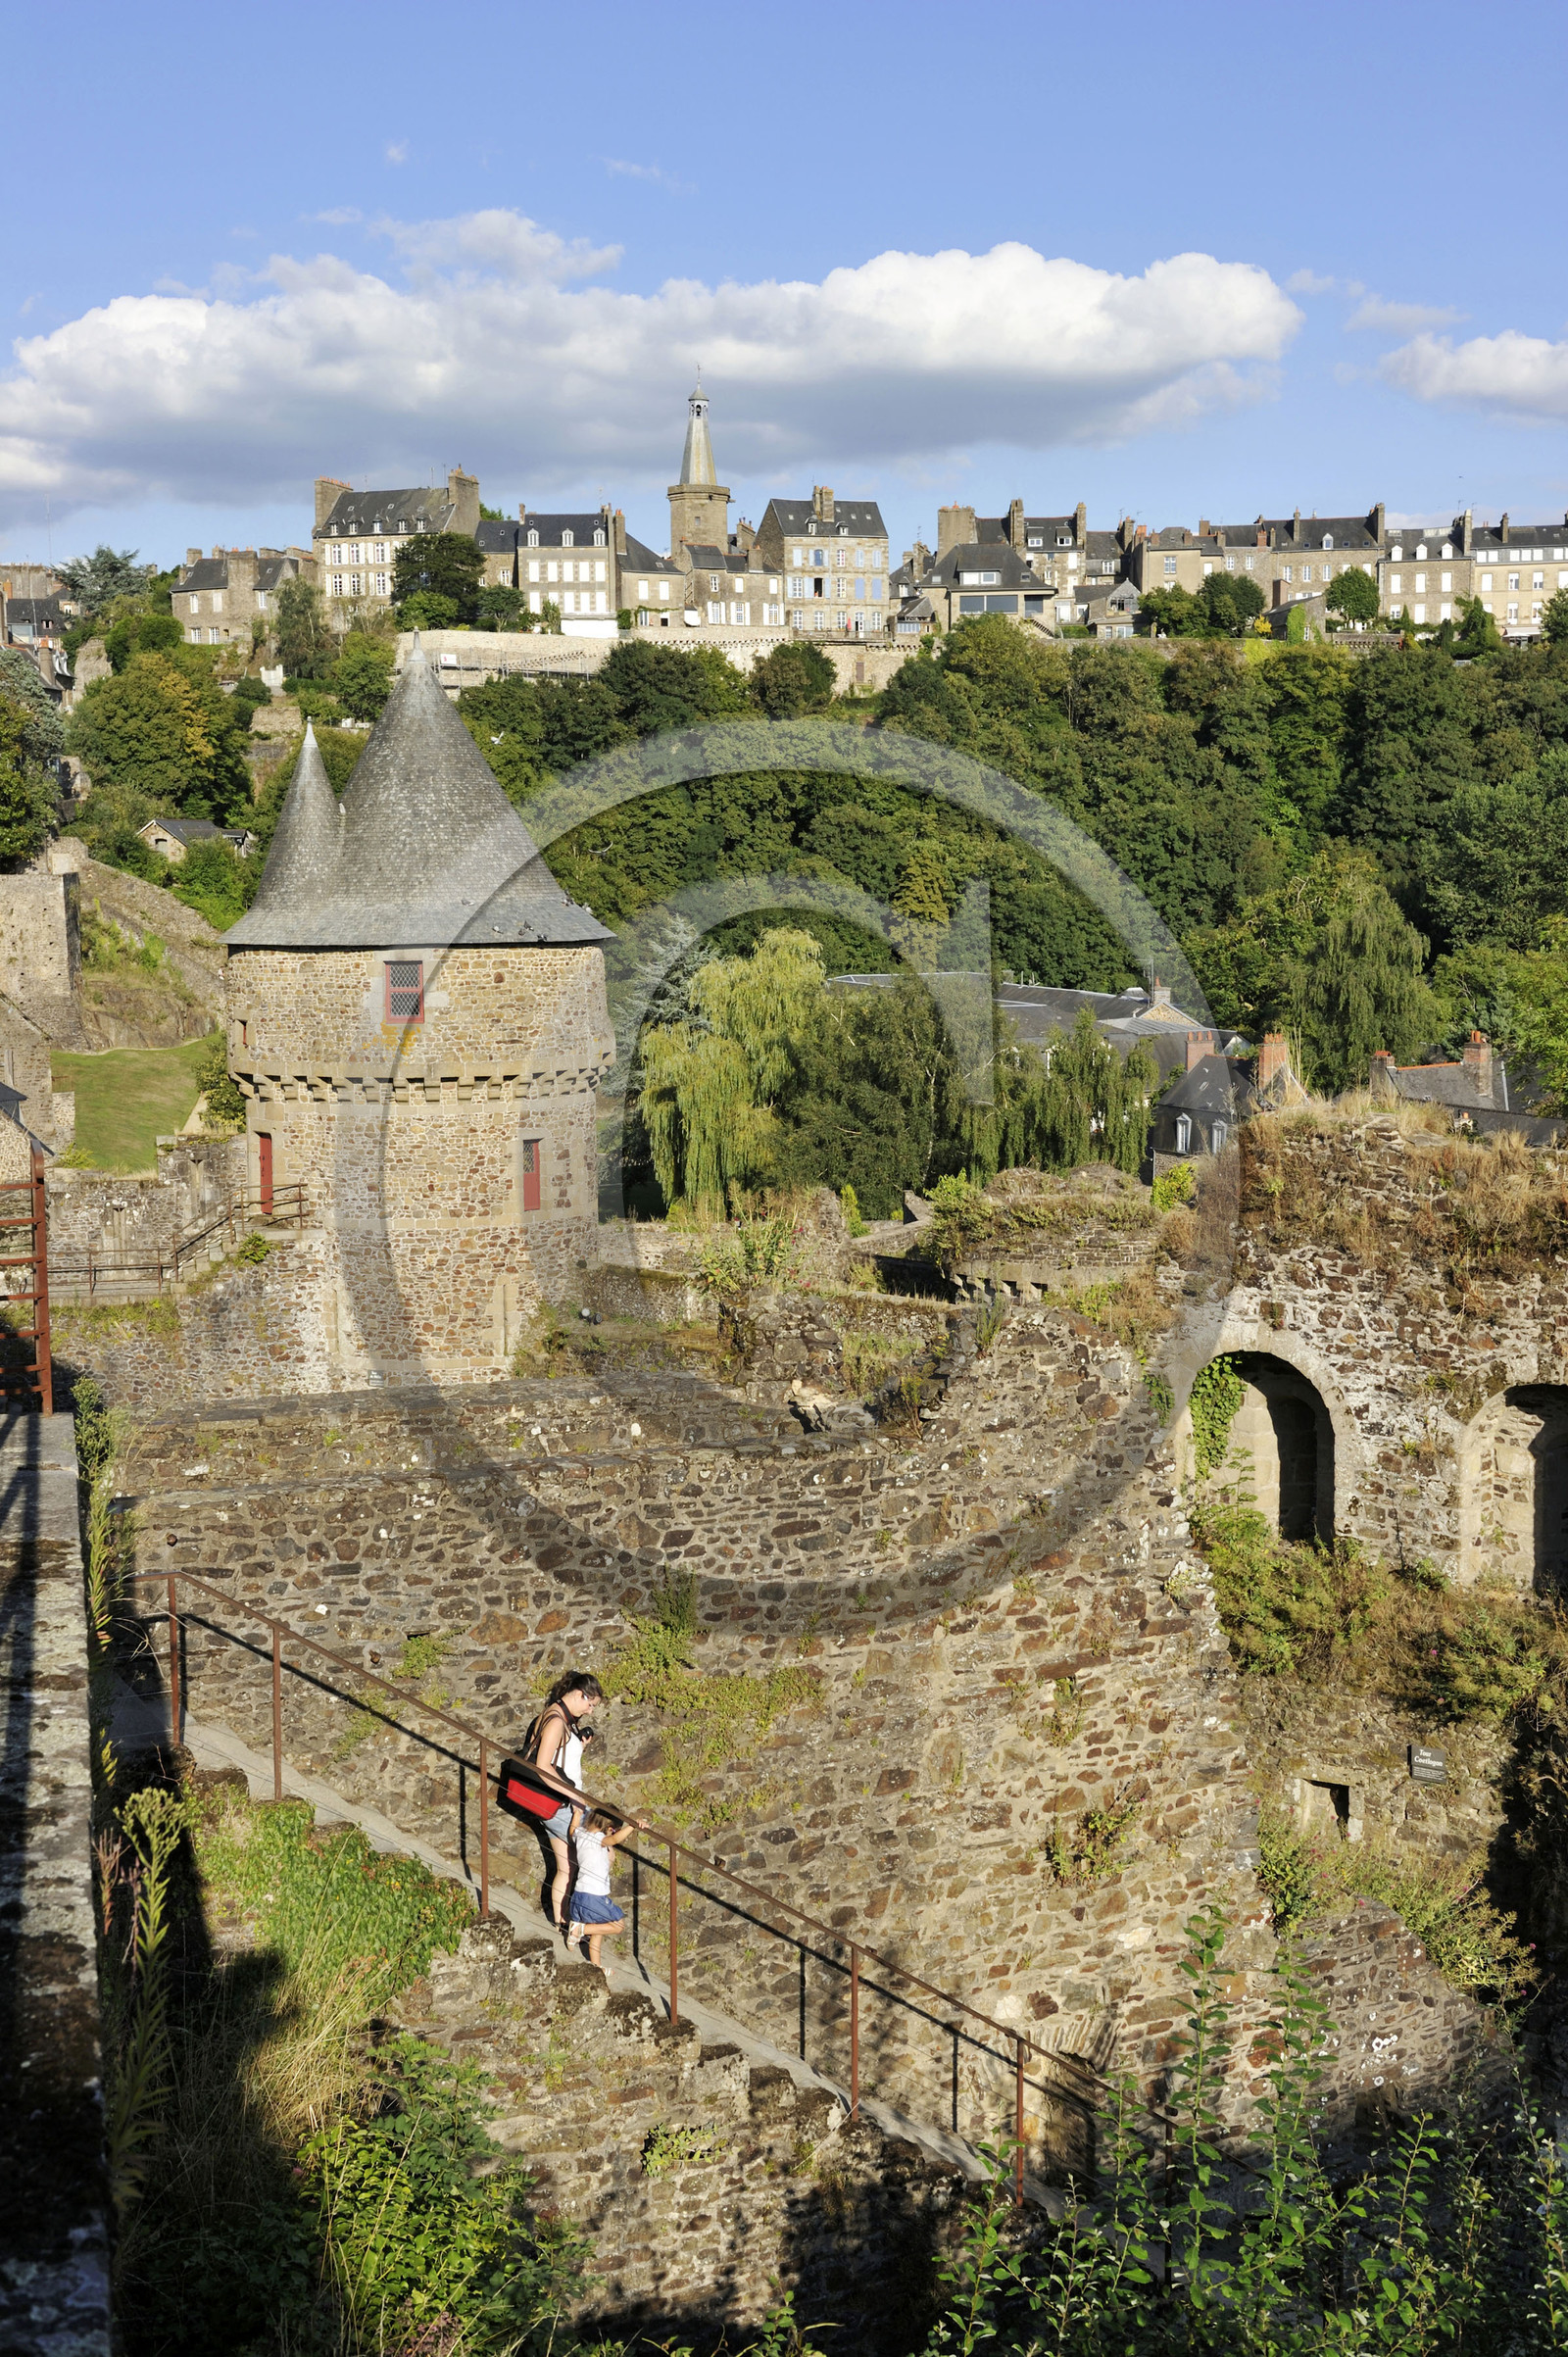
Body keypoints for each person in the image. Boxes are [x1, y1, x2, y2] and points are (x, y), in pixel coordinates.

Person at [524, 1671, 605, 1934]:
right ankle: (581, 1925)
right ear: (580, 1694)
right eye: (590, 1704)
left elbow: (560, 1760)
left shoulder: (558, 1716)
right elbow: (543, 1766)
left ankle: (561, 1921)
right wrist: (576, 1801)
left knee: (566, 1866)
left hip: (556, 1805)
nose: (590, 1712)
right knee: (596, 1857)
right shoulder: (557, 1721)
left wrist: (578, 1747)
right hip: (562, 1805)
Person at [565, 1807, 640, 1968]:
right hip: (594, 1896)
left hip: (580, 1894)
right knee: (618, 1925)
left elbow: (572, 1831)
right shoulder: (598, 1838)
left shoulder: (581, 1834)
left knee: (599, 1929)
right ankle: (580, 1929)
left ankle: (596, 1966)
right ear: (609, 1827)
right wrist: (633, 1826)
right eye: (614, 1830)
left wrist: (577, 1815)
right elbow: (614, 1840)